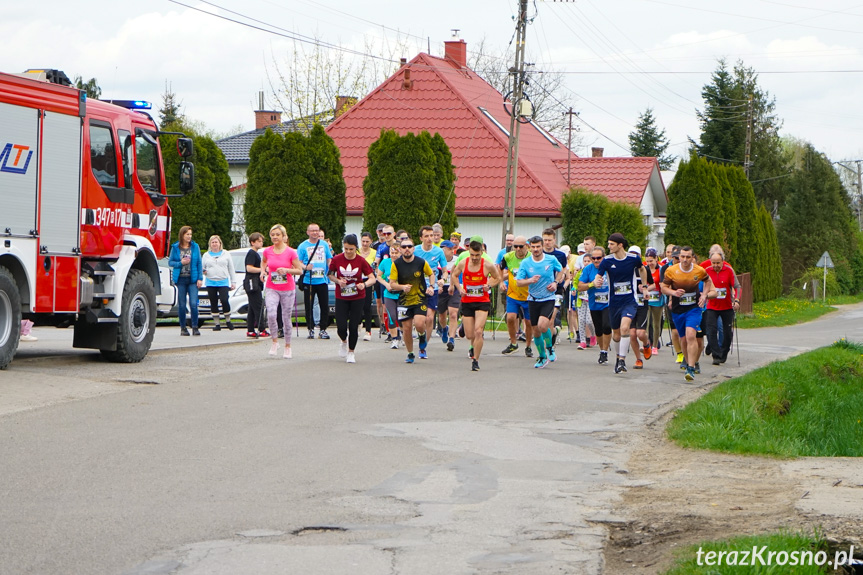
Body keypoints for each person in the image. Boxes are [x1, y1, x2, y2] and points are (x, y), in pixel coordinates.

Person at [594, 233, 650, 374]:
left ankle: (621, 360)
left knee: (625, 328)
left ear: (620, 245)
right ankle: (619, 358)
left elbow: (642, 269)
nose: (609, 246)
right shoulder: (606, 261)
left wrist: (644, 287)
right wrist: (597, 281)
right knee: (617, 335)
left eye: (611, 244)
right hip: (613, 302)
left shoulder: (633, 259)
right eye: (608, 243)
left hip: (629, 301)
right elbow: (598, 276)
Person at [660, 245, 717, 382]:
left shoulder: (699, 270)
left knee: (691, 335)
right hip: (678, 309)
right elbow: (663, 287)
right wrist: (673, 293)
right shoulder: (671, 271)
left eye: (688, 257)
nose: (685, 260)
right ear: (679, 257)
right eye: (682, 257)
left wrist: (704, 295)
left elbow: (707, 281)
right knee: (684, 339)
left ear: (692, 258)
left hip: (694, 308)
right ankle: (687, 362)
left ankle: (691, 368)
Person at [516, 235, 565, 368]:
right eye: (533, 247)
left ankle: (549, 347)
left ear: (542, 246)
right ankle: (542, 357)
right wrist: (529, 280)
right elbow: (519, 282)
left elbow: (561, 271)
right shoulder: (526, 263)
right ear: (529, 247)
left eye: (538, 246)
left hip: (548, 298)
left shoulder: (551, 259)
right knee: (536, 331)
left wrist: (555, 283)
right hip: (533, 299)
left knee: (543, 325)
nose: (536, 249)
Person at [452, 239, 501, 371]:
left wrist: (489, 285)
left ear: (482, 253)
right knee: (470, 335)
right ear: (469, 253)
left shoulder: (487, 265)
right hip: (467, 301)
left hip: (482, 301)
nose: (474, 258)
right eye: (472, 255)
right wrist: (459, 288)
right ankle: (464, 328)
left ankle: (476, 360)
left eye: (477, 255)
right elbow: (454, 275)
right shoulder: (463, 263)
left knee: (478, 331)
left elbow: (497, 278)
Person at [329, 234, 376, 364]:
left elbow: (372, 278)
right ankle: (343, 341)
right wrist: (338, 281)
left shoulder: (361, 261)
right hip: (342, 296)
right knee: (341, 326)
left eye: (351, 249)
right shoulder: (337, 259)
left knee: (354, 325)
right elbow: (330, 275)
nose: (348, 252)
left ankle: (351, 352)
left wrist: (364, 284)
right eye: (346, 249)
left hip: (357, 296)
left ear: (356, 248)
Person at [389, 236, 435, 363]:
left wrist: (431, 286)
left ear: (414, 249)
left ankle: (421, 335)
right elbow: (392, 284)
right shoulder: (396, 264)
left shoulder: (421, 262)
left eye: (409, 247)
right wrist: (402, 287)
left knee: (420, 324)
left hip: (420, 298)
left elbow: (431, 274)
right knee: (407, 328)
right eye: (404, 247)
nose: (407, 249)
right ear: (400, 249)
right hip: (404, 301)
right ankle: (410, 353)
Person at [260, 224, 303, 359]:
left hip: (287, 288)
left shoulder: (291, 252)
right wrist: (263, 271)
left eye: (277, 234)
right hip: (272, 287)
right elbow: (264, 262)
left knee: (286, 317)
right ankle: (274, 342)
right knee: (271, 314)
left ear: (283, 236)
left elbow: (300, 270)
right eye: (272, 235)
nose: (275, 237)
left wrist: (287, 270)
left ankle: (288, 346)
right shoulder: (267, 251)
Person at [702, 251, 741, 365]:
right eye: (713, 263)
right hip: (712, 307)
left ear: (722, 262)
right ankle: (716, 354)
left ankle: (724, 352)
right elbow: (700, 284)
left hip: (727, 306)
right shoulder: (707, 271)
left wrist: (737, 300)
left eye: (718, 263)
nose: (715, 266)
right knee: (711, 330)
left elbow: (737, 286)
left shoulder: (728, 270)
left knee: (727, 333)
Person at [499, 236, 534, 358]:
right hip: (513, 293)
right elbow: (500, 268)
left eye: (521, 246)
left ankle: (528, 346)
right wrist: (501, 282)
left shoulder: (532, 257)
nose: (518, 249)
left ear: (527, 246)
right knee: (510, 318)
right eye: (515, 246)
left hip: (529, 295)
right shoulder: (508, 257)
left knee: (529, 322)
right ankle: (513, 343)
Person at [298, 222, 334, 340]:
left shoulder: (323, 244)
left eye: (317, 230)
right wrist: (305, 267)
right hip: (309, 280)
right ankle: (311, 328)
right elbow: (297, 262)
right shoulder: (303, 246)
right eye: (312, 231)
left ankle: (323, 329)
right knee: (309, 306)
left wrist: (331, 270)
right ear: (308, 232)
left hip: (322, 280)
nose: (315, 233)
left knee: (324, 305)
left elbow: (329, 258)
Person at [578, 246, 612, 365]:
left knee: (607, 326)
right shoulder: (588, 269)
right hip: (594, 303)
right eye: (594, 258)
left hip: (608, 303)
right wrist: (592, 284)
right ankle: (602, 350)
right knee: (598, 329)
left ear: (604, 257)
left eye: (599, 258)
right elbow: (580, 286)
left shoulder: (609, 267)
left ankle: (604, 351)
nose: (596, 260)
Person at [169, 225, 203, 336]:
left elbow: (199, 263)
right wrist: (181, 263)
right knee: (182, 305)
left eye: (190, 234)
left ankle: (195, 326)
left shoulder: (195, 247)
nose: (189, 236)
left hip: (192, 279)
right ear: (182, 235)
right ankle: (183, 328)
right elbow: (171, 262)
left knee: (193, 303)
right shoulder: (175, 247)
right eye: (187, 234)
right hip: (180, 280)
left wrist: (200, 278)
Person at [415, 226, 447, 343]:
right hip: (417, 288)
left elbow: (444, 271)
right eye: (426, 236)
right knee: (419, 320)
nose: (430, 238)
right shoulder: (415, 250)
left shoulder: (439, 252)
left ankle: (424, 345)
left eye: (431, 235)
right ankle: (421, 334)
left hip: (432, 288)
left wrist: (443, 279)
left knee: (429, 318)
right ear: (421, 238)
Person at [202, 235, 237, 331]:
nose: (214, 244)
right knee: (213, 302)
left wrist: (233, 282)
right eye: (212, 242)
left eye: (216, 242)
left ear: (220, 243)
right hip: (210, 282)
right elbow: (202, 267)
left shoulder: (226, 254)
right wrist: (203, 272)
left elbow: (231, 268)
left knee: (224, 300)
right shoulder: (206, 255)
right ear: (210, 244)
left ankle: (228, 320)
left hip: (223, 281)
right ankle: (217, 323)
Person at [542, 228, 570, 347]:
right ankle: (555, 332)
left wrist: (559, 281)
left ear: (554, 240)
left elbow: (564, 269)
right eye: (545, 240)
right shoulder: (539, 253)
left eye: (549, 240)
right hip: (541, 290)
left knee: (551, 318)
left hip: (556, 289)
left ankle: (548, 346)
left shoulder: (560, 255)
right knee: (542, 323)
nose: (547, 242)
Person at [376, 243, 403, 349]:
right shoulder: (385, 262)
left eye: (396, 253)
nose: (394, 255)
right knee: (392, 316)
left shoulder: (403, 263)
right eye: (392, 253)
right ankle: (394, 339)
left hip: (401, 294)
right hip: (389, 294)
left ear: (400, 253)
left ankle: (404, 336)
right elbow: (378, 276)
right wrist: (386, 284)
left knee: (402, 317)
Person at [437, 240, 461, 351]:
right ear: (443, 250)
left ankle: (451, 339)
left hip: (454, 289)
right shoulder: (437, 261)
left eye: (453, 249)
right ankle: (444, 328)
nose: (452, 251)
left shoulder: (457, 260)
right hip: (441, 290)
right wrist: (438, 286)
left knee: (453, 314)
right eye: (450, 249)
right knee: (442, 315)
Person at [243, 232, 267, 338]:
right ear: (252, 242)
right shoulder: (251, 253)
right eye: (259, 241)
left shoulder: (256, 253)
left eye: (262, 241)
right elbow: (249, 268)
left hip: (255, 282)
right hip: (252, 282)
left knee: (252, 308)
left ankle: (250, 329)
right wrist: (262, 270)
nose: (261, 243)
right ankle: (261, 329)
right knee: (258, 306)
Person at [644, 248, 665, 355]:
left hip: (657, 299)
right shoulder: (644, 269)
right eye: (647, 261)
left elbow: (663, 283)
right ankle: (647, 344)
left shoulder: (660, 269)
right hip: (647, 299)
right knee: (646, 323)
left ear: (656, 259)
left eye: (651, 261)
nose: (649, 263)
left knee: (656, 324)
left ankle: (655, 345)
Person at [575, 252, 596, 350]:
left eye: (588, 261)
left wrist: (591, 284)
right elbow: (576, 283)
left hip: (591, 298)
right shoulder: (580, 272)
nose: (586, 263)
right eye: (585, 261)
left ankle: (593, 334)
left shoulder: (593, 271)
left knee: (589, 320)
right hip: (581, 299)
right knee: (581, 320)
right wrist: (573, 290)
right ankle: (582, 341)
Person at [359, 232, 377, 341]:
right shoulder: (356, 252)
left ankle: (368, 330)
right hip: (357, 280)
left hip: (368, 280)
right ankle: (358, 323)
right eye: (363, 241)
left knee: (367, 306)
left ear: (371, 242)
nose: (365, 243)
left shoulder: (374, 253)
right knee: (357, 305)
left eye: (367, 241)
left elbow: (377, 266)